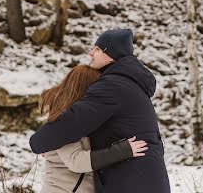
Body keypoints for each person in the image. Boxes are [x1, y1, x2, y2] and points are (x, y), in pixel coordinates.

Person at [30, 28, 171, 193]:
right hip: (141, 179)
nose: (91, 53)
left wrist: (42, 142)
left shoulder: (112, 86)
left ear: (111, 53)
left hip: (132, 181)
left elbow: (73, 121)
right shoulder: (128, 84)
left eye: (97, 49)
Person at [38, 65, 147, 193]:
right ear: (85, 88)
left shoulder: (82, 117)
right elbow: (76, 161)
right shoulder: (64, 120)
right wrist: (120, 151)